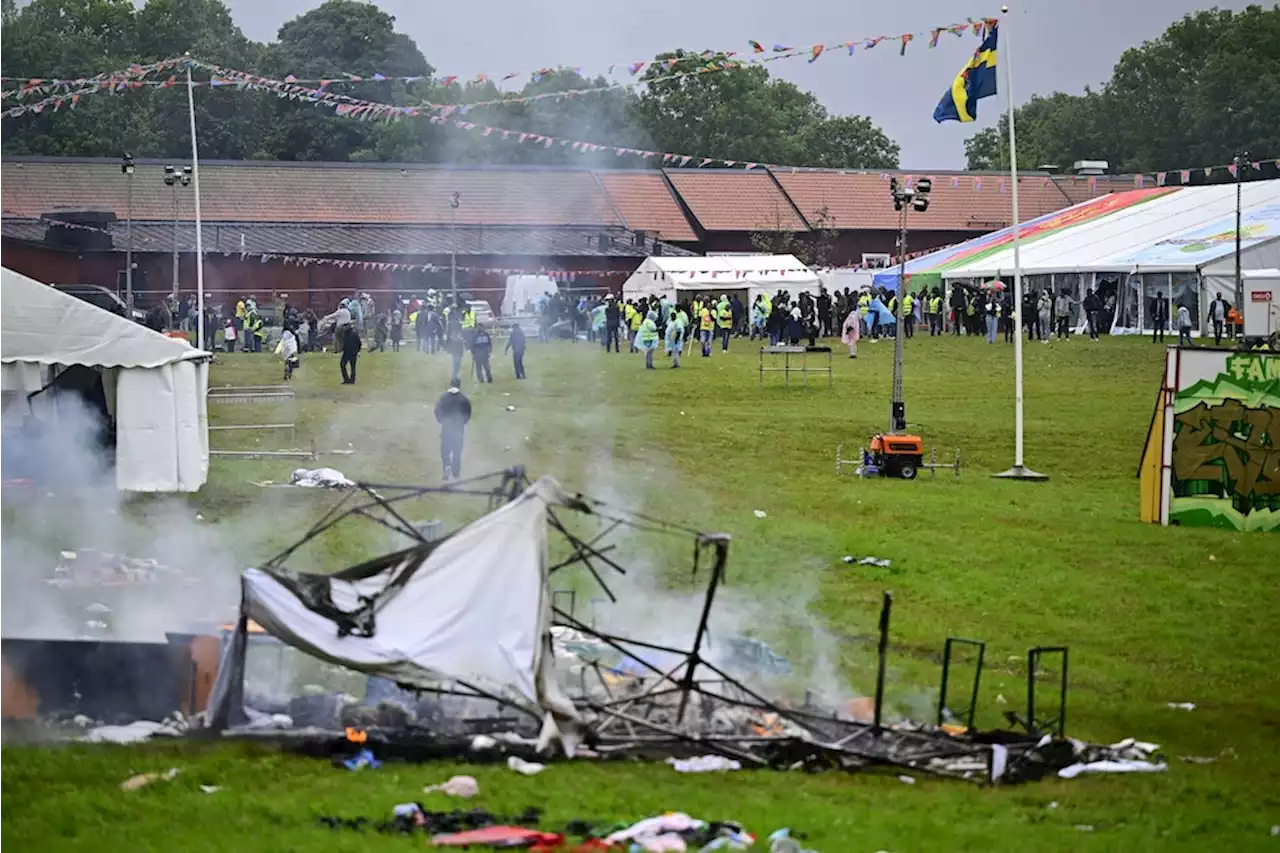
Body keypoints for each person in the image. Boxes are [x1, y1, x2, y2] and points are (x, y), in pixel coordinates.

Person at [434, 380, 471, 481]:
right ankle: (456, 473)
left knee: (445, 450)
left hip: (446, 426)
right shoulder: (464, 398)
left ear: (450, 385)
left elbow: (437, 410)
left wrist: (441, 420)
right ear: (459, 385)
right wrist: (463, 422)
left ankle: (446, 466)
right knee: (457, 451)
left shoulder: (443, 397)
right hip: (458, 427)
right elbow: (468, 413)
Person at [339, 318, 362, 384]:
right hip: (348, 352)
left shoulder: (353, 333)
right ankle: (348, 380)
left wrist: (357, 351)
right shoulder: (346, 333)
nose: (345, 327)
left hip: (352, 352)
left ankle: (350, 380)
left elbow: (359, 343)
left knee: (351, 367)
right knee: (344, 365)